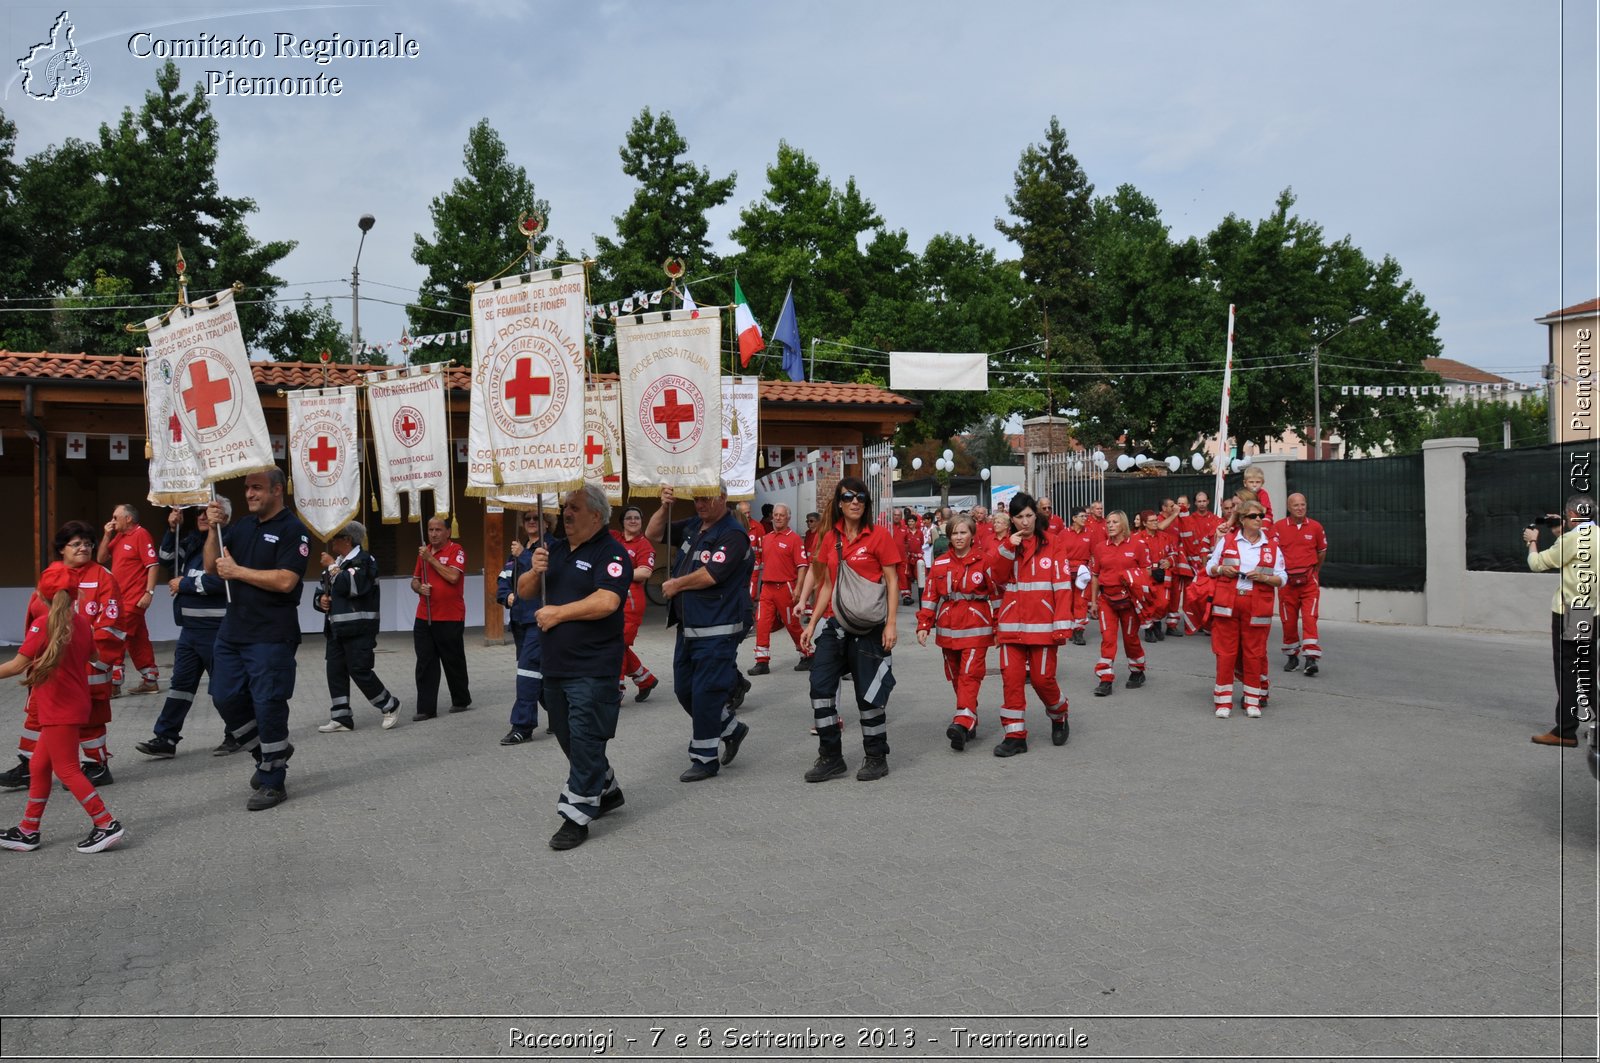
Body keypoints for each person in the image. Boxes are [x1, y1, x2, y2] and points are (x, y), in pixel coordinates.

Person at [519, 485, 632, 850]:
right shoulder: (553, 549)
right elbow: (524, 592)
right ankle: (607, 788)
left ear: (596, 516)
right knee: (569, 738)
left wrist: (559, 613)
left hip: (593, 667)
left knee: (584, 740)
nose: (565, 513)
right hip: (555, 667)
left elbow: (608, 600)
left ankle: (576, 816)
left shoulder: (611, 552)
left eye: (575, 508)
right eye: (565, 507)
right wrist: (534, 572)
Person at [0, 564, 125, 854]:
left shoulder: (43, 623)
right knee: (39, 765)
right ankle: (29, 829)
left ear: (41, 595)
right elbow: (93, 654)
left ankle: (106, 823)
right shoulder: (80, 622)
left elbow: (17, 665)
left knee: (67, 769)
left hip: (58, 708)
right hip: (72, 704)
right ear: (75, 593)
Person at [205, 469, 310, 810]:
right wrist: (213, 529)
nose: (249, 494)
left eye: (257, 488)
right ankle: (265, 753)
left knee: (269, 705)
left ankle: (273, 781)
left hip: (271, 633)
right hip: (233, 631)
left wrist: (237, 572)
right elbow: (212, 566)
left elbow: (285, 581)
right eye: (247, 488)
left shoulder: (293, 530)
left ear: (277, 490)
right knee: (224, 697)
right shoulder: (242, 527)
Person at [0, 523, 125, 791]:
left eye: (88, 544)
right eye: (76, 543)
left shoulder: (104, 577)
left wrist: (93, 659)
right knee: (37, 714)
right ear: (61, 549)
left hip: (86, 665)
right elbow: (35, 616)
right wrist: (37, 656)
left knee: (90, 718)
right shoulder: (52, 575)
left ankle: (96, 766)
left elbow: (111, 625)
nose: (84, 548)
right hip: (49, 666)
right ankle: (29, 765)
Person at [646, 483, 754, 783]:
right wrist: (665, 506)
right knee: (684, 690)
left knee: (706, 693)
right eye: (696, 498)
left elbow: (712, 574)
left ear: (722, 498)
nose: (700, 503)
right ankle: (731, 729)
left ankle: (705, 758)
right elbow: (652, 534)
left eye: (706, 497)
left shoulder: (732, 534)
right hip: (689, 626)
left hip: (717, 627)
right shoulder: (695, 525)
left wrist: (676, 584)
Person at [799, 476, 901, 782]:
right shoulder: (831, 537)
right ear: (839, 504)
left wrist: (892, 624)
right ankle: (831, 756)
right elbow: (827, 584)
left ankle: (876, 756)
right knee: (820, 686)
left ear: (866, 503)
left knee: (869, 695)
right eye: (847, 497)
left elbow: (893, 581)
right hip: (837, 625)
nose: (854, 501)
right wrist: (812, 622)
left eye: (860, 497)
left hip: (870, 627)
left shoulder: (879, 536)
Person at [135, 502, 233, 758]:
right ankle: (166, 737)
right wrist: (171, 529)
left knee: (225, 688)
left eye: (207, 511)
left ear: (223, 516)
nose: (201, 516)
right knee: (181, 685)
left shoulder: (229, 542)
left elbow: (225, 582)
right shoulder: (190, 540)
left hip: (217, 629)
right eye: (199, 512)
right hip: (190, 631)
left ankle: (237, 734)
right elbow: (166, 560)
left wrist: (186, 584)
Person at [990, 492, 1072, 754]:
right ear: (1011, 520)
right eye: (1019, 517)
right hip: (1012, 625)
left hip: (1044, 625)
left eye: (1029, 516)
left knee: (1042, 679)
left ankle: (1059, 714)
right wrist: (1007, 549)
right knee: (1011, 680)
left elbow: (1062, 587)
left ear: (1036, 516)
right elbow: (996, 579)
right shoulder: (1005, 545)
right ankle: (1015, 737)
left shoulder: (1054, 543)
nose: (1025, 522)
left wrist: (1061, 624)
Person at [313, 522, 401, 733]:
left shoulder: (364, 560)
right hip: (336, 629)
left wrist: (333, 566)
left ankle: (390, 704)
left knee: (359, 670)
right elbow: (321, 591)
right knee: (335, 671)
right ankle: (341, 717)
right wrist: (321, 600)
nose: (333, 540)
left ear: (348, 539)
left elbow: (353, 587)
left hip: (359, 628)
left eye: (337, 536)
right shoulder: (337, 563)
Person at [1525, 493, 1597, 747]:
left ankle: (1565, 731)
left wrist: (1532, 542)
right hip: (1592, 611)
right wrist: (1559, 533)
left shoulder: (1572, 539)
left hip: (1570, 612)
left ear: (1572, 516)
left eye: (1567, 516)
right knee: (1587, 669)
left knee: (1567, 671)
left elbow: (1538, 563)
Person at [916, 514, 994, 751]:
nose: (959, 537)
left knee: (970, 675)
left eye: (963, 532)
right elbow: (930, 596)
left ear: (972, 535)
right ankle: (970, 717)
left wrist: (1000, 626)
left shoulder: (985, 561)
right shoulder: (939, 563)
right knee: (957, 677)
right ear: (948, 536)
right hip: (948, 629)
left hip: (976, 627)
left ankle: (961, 721)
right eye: (955, 533)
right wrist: (923, 625)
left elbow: (997, 595)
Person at [1206, 500, 1285, 718]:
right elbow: (1209, 567)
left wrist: (1265, 578)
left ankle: (1253, 701)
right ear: (1242, 520)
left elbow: (1282, 577)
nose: (1258, 519)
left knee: (1254, 654)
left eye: (1260, 515)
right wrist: (1222, 568)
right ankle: (1223, 702)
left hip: (1257, 605)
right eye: (1253, 516)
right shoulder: (1228, 540)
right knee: (1226, 653)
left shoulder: (1272, 546)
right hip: (1228, 603)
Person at [497, 509, 552, 745]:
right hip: (519, 620)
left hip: (538, 619)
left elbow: (547, 574)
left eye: (536, 518)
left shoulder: (550, 547)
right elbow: (503, 579)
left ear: (547, 523)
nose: (531, 522)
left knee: (527, 673)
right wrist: (506, 595)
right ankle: (564, 715)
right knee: (538, 675)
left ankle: (522, 726)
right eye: (527, 519)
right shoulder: (515, 552)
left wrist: (523, 556)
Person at [97, 503, 160, 696]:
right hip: (120, 600)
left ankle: (114, 683)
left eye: (116, 517)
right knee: (137, 638)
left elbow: (153, 565)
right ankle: (150, 680)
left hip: (132, 600)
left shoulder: (141, 535)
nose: (112, 521)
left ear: (128, 518)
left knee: (116, 637)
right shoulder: (119, 537)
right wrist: (107, 535)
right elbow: (100, 558)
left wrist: (148, 593)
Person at [411, 517, 471, 721]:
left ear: (448, 532)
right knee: (425, 662)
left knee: (452, 660)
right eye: (430, 530)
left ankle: (461, 699)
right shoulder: (424, 552)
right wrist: (419, 587)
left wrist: (431, 560)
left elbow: (453, 577)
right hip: (424, 615)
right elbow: (414, 580)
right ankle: (426, 708)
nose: (433, 533)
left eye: (438, 529)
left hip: (450, 616)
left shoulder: (456, 550)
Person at [1087, 511, 1152, 696]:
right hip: (1106, 600)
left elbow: (1146, 572)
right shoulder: (1100, 547)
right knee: (1108, 639)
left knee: (1130, 638)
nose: (1110, 525)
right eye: (1108, 522)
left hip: (1129, 601)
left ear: (1123, 524)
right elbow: (1095, 576)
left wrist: (1139, 592)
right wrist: (1093, 602)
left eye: (1114, 522)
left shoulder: (1138, 545)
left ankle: (1137, 670)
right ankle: (1105, 679)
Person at [749, 504, 813, 675]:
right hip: (767, 588)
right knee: (761, 622)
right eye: (775, 515)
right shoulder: (766, 538)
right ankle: (762, 661)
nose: (777, 518)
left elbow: (802, 566)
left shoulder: (794, 539)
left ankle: (807, 654)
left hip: (786, 587)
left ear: (788, 518)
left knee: (792, 624)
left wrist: (799, 588)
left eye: (781, 515)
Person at [1274, 493, 1328, 675]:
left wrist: (1314, 572)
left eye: (1303, 504)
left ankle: (1311, 659)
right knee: (1288, 621)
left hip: (1308, 582)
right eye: (1296, 505)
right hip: (1287, 584)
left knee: (1309, 618)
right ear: (1289, 507)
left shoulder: (1315, 527)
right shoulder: (1278, 527)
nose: (1300, 508)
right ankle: (1292, 657)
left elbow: (1321, 552)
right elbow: (1274, 554)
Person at [613, 506, 661, 701]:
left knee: (616, 645)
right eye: (629, 518)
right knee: (618, 645)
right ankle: (645, 679)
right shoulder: (614, 537)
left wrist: (614, 574)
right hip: (613, 602)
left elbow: (645, 572)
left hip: (631, 605)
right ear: (622, 521)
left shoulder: (644, 545)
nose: (633, 521)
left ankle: (617, 689)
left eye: (637, 518)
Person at [1058, 508, 1093, 645]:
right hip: (1066, 571)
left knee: (1081, 602)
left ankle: (1079, 631)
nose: (1085, 518)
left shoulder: (1090, 534)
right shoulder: (1063, 534)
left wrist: (1089, 570)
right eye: (1082, 516)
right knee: (1068, 602)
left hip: (1082, 573)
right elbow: (1058, 553)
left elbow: (1094, 553)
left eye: (1086, 516)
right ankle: (1071, 629)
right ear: (1073, 518)